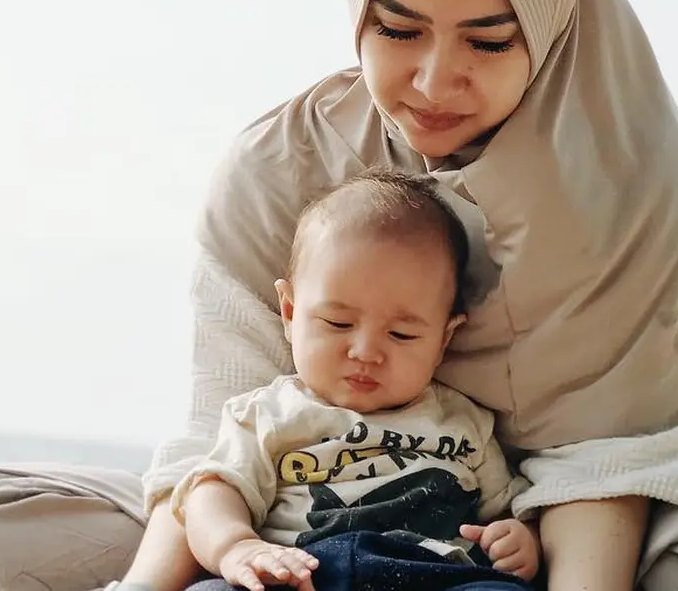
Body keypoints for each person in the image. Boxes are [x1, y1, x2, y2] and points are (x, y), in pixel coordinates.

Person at [0, 0, 678, 590]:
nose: (432, 81)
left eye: (489, 42)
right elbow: (218, 454)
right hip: (279, 536)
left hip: (536, 548)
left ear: (550, 24)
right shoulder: (277, 171)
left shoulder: (623, 180)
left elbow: (605, 465)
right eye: (396, 29)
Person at [172, 169, 539, 591]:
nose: (365, 352)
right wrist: (237, 547)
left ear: (444, 339)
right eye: (337, 322)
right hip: (300, 574)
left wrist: (518, 538)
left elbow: (504, 511)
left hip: (436, 576)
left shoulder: (464, 421)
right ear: (290, 313)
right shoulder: (266, 414)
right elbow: (212, 493)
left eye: (402, 334)